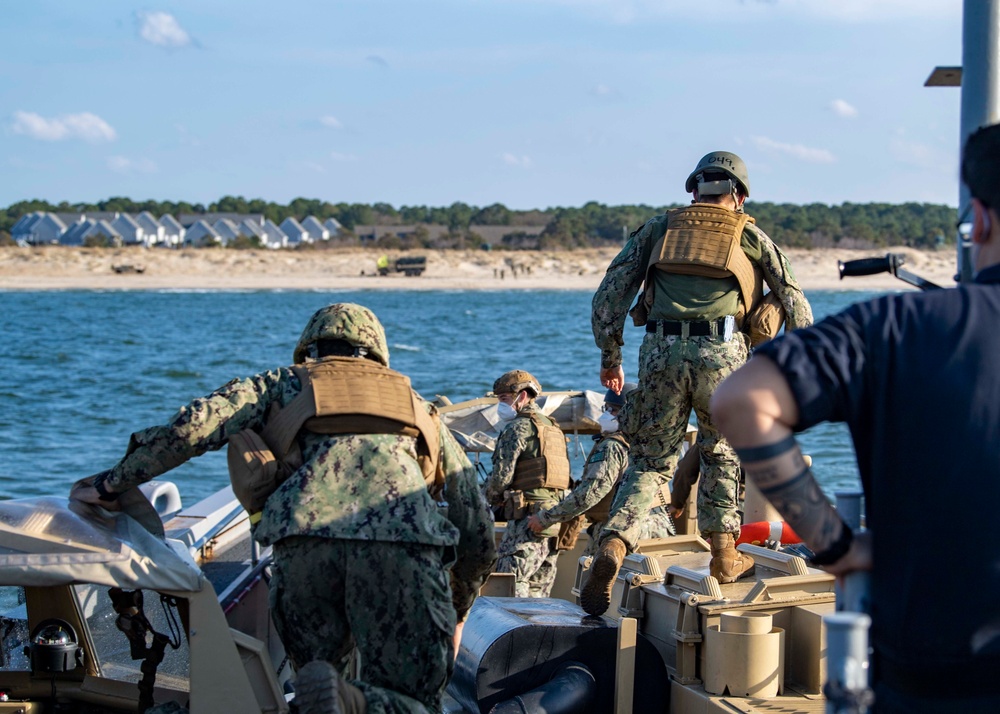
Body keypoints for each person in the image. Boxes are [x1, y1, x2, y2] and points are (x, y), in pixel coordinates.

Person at [71, 303, 497, 714]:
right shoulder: (420, 408)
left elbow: (192, 427)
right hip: (404, 552)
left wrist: (113, 481)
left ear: (308, 348)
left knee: (319, 681)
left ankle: (339, 695)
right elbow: (474, 525)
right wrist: (458, 609)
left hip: (305, 550)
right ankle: (360, 702)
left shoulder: (278, 384)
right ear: (377, 353)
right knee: (413, 700)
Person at [710, 124, 1000, 713]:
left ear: (981, 218)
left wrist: (834, 543)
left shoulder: (899, 328)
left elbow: (742, 402)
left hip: (935, 688)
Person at [582, 151, 814, 616]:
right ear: (740, 195)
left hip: (661, 351)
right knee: (722, 449)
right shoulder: (750, 234)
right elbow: (795, 302)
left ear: (693, 190)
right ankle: (725, 555)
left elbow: (611, 292)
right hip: (724, 355)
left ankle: (614, 542)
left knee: (651, 458)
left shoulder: (658, 228)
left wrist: (611, 355)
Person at [526, 384, 674, 553]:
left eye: (613, 410)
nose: (606, 414)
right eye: (607, 408)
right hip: (658, 528)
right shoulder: (654, 445)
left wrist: (546, 518)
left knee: (593, 576)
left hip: (620, 531)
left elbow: (592, 491)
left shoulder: (612, 446)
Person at [485, 370, 570, 597]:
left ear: (522, 396)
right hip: (551, 523)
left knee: (510, 588)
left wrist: (487, 499)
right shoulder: (554, 428)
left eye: (503, 399)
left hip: (526, 522)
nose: (500, 405)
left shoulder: (517, 428)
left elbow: (501, 477)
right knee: (539, 595)